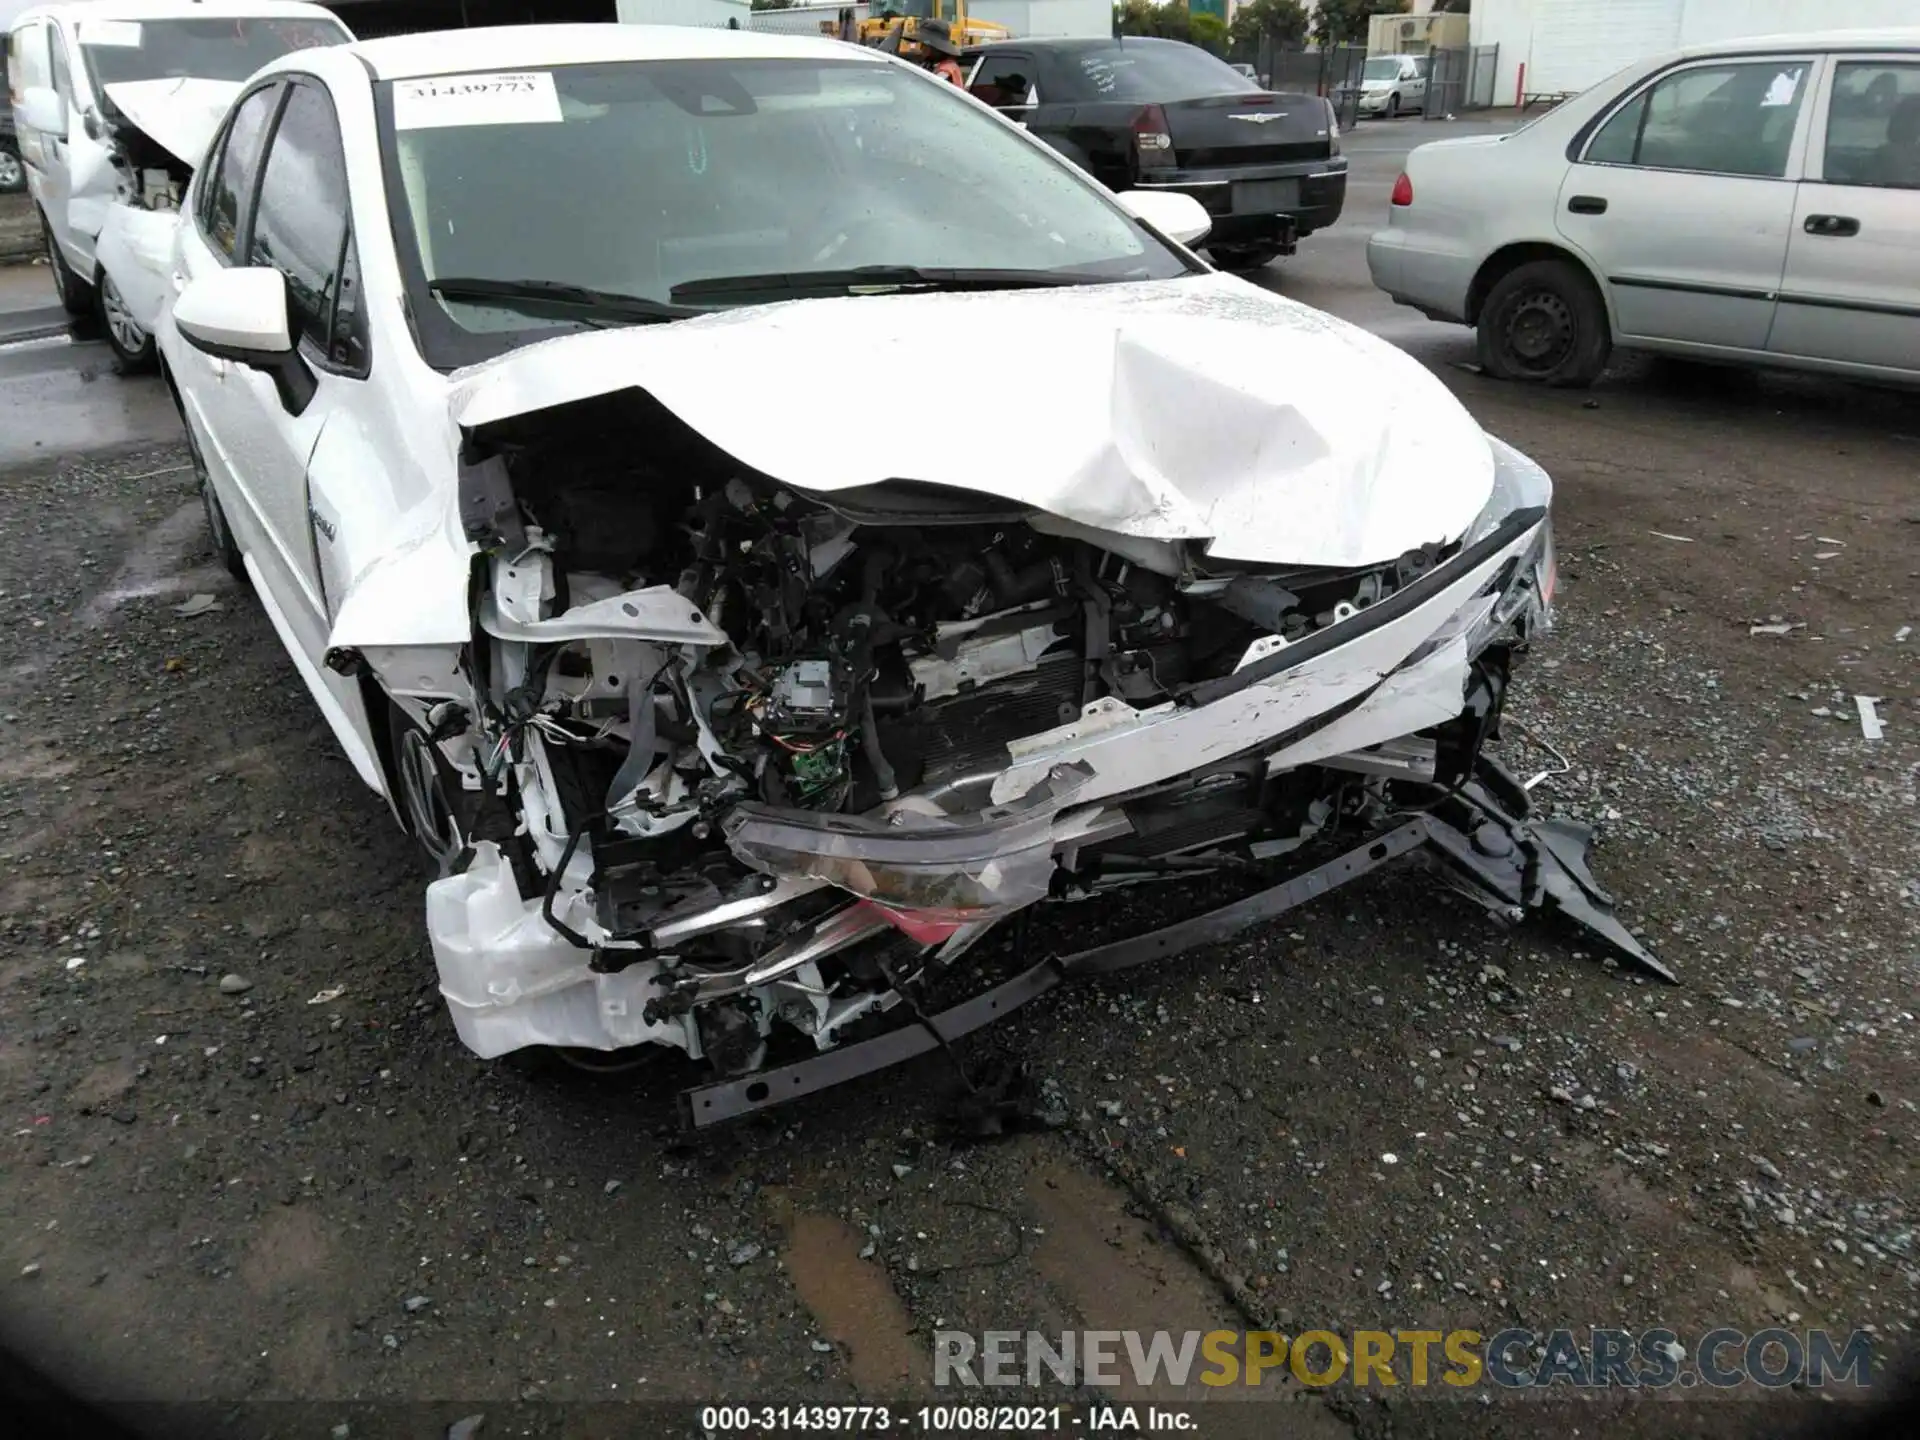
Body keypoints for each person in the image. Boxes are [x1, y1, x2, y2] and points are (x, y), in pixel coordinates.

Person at [916, 18, 967, 87]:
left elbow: (929, 90)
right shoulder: (929, 64)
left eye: (925, 45)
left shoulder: (946, 70)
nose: (921, 48)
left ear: (935, 48)